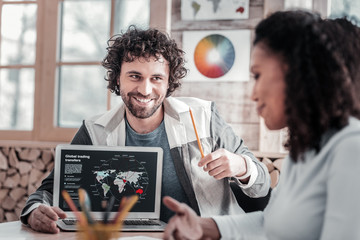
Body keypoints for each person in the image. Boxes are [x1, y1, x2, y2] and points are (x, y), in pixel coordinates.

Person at [20, 26, 271, 233]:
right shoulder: (95, 130)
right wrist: (33, 212)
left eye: (156, 78)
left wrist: (242, 165)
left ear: (169, 81)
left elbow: (261, 185)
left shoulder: (204, 116)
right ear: (117, 78)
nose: (146, 90)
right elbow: (49, 192)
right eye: (135, 76)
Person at [163, 10, 360, 240]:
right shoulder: (304, 151)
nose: (253, 95)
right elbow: (270, 223)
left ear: (298, 75)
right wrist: (203, 226)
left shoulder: (351, 150)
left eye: (257, 75)